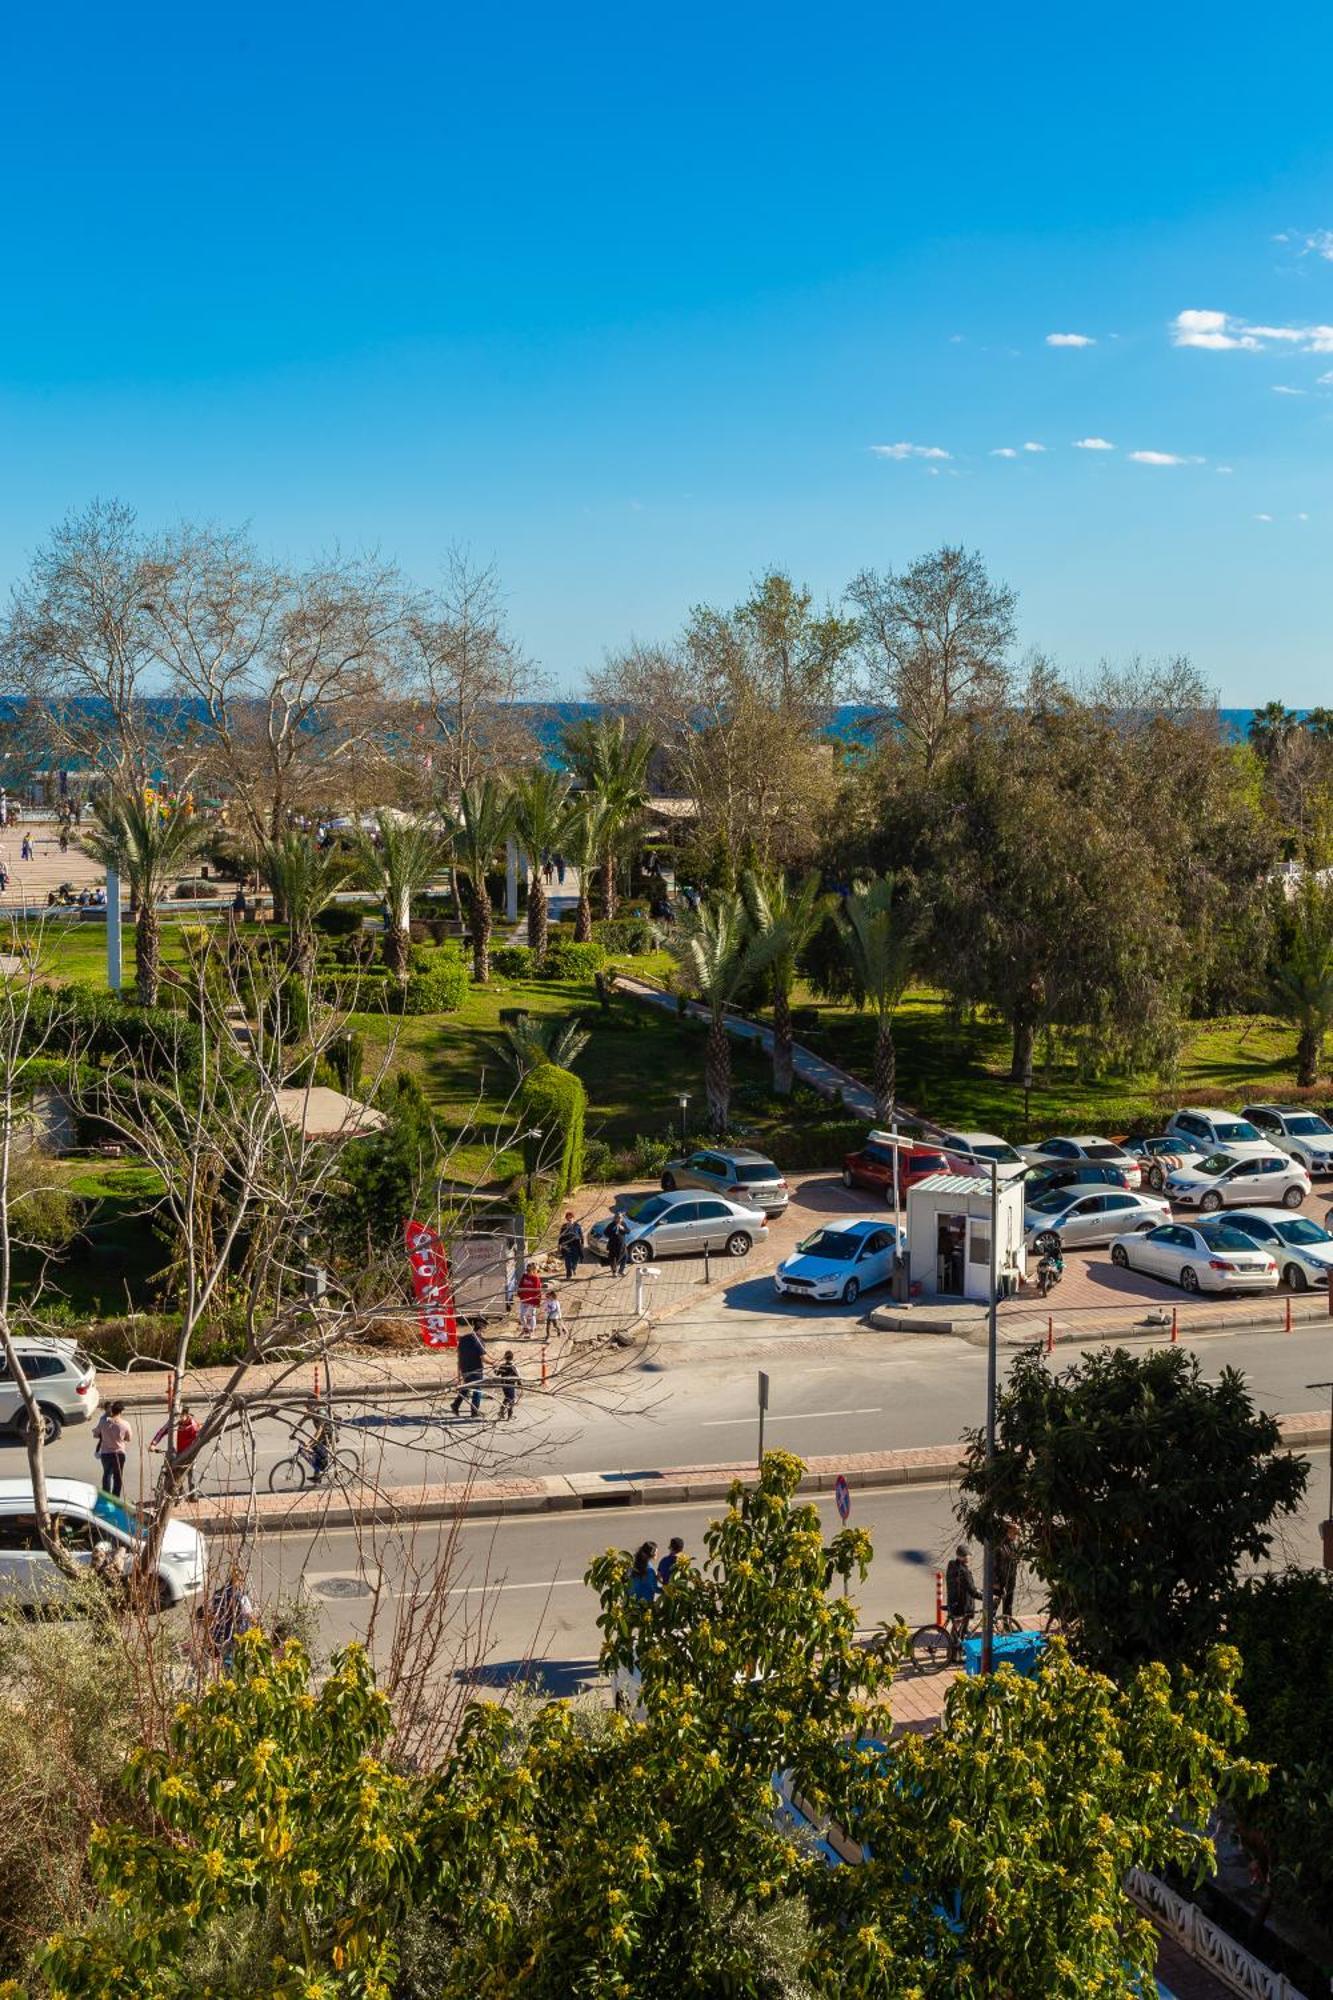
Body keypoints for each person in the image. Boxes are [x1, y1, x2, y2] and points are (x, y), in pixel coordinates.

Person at [206, 1563, 257, 1665]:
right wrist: (256, 1626)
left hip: (219, 1633)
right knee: (235, 1661)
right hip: (236, 1634)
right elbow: (249, 1615)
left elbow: (212, 1613)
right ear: (240, 1580)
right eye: (242, 1580)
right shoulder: (241, 1596)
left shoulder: (217, 1595)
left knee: (220, 1660)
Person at [945, 1543, 982, 1647]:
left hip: (953, 1602)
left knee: (957, 1631)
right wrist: (986, 1597)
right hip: (962, 1606)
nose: (968, 1557)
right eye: (967, 1555)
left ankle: (953, 1653)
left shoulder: (952, 1565)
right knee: (961, 1632)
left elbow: (963, 1586)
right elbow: (972, 1591)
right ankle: (957, 1654)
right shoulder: (964, 1571)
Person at [93, 1401, 132, 1497]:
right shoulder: (125, 1424)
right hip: (119, 1454)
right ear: (121, 1412)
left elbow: (96, 1434)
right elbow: (129, 1438)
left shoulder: (103, 1422)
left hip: (105, 1453)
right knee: (117, 1477)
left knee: (107, 1474)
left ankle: (106, 1497)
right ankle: (116, 1498)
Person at [451, 1319, 488, 1418]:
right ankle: (474, 1412)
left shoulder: (463, 1339)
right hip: (475, 1370)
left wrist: (459, 1374)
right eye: (484, 1330)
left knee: (467, 1387)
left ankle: (455, 1405)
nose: (484, 1333)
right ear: (481, 1329)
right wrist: (494, 1363)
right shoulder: (478, 1341)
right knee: (477, 1390)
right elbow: (484, 1358)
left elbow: (459, 1356)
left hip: (464, 1368)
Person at [994, 1523, 1020, 1628]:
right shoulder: (1000, 1545)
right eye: (1015, 1532)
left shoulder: (1014, 1544)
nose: (1017, 1535)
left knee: (1008, 1605)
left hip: (1010, 1580)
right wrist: (996, 1582)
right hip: (999, 1582)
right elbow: (994, 1565)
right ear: (1009, 1531)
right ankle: (988, 1627)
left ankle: (1007, 1626)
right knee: (993, 1605)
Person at [515, 1260, 543, 1335]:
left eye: (529, 1270)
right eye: (527, 1270)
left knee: (531, 1316)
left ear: (534, 1270)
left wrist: (537, 1301)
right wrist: (520, 1295)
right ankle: (525, 1328)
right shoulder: (524, 1276)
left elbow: (538, 1291)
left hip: (532, 1300)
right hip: (524, 1300)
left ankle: (532, 1330)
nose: (527, 1272)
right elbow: (520, 1286)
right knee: (521, 1316)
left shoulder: (536, 1279)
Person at [557, 1209, 585, 1281]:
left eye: (571, 1217)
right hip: (566, 1246)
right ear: (566, 1219)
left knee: (575, 1259)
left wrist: (582, 1243)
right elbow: (561, 1236)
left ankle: (574, 1268)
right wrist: (559, 1245)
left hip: (576, 1245)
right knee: (567, 1261)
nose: (569, 1219)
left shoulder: (577, 1226)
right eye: (568, 1218)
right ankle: (568, 1274)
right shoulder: (564, 1227)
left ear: (573, 1218)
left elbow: (581, 1235)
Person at [604, 1210, 630, 1279]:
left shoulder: (623, 1224)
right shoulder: (611, 1225)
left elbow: (628, 1231)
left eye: (620, 1218)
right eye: (618, 1218)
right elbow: (606, 1233)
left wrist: (623, 1228)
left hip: (621, 1245)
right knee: (613, 1259)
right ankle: (614, 1272)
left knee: (625, 1257)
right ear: (615, 1218)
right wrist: (612, 1233)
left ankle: (621, 1271)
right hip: (613, 1245)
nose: (619, 1219)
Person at [496, 1349, 521, 1419]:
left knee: (507, 1398)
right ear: (512, 1357)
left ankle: (502, 1411)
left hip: (503, 1385)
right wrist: (520, 1384)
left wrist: (494, 1368)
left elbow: (497, 1373)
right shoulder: (513, 1366)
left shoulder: (502, 1366)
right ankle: (509, 1415)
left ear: (505, 1357)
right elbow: (517, 1376)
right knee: (511, 1399)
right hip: (510, 1385)